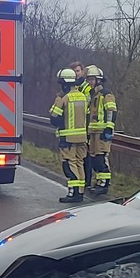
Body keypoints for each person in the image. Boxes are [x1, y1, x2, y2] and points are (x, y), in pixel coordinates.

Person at [49, 68, 89, 203]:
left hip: (68, 138)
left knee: (69, 164)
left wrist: (58, 99)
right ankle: (80, 192)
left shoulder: (64, 98)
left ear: (65, 84)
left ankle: (73, 193)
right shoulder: (83, 96)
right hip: (82, 137)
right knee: (79, 163)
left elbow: (54, 117)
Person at [84, 65, 117, 195]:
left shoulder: (106, 94)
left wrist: (109, 128)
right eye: (89, 80)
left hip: (102, 132)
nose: (90, 82)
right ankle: (98, 183)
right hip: (93, 132)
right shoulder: (92, 95)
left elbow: (111, 111)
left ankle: (104, 184)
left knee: (101, 158)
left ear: (98, 80)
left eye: (92, 80)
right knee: (93, 159)